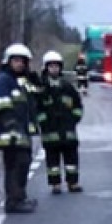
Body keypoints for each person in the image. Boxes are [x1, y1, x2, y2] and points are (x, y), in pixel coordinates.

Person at [0, 43, 38, 214]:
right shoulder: (3, 80)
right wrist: (12, 127)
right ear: (8, 61)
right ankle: (13, 201)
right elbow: (1, 106)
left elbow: (32, 101)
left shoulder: (18, 82)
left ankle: (20, 197)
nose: (20, 64)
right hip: (10, 134)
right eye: (16, 60)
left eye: (23, 61)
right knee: (14, 167)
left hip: (20, 133)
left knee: (23, 164)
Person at [36, 51, 84, 194]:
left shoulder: (68, 87)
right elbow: (36, 108)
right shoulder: (41, 88)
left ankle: (73, 182)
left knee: (71, 160)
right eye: (51, 66)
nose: (54, 69)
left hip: (68, 132)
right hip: (50, 134)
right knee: (52, 162)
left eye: (56, 66)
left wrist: (74, 119)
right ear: (46, 68)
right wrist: (44, 122)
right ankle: (55, 184)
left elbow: (78, 105)